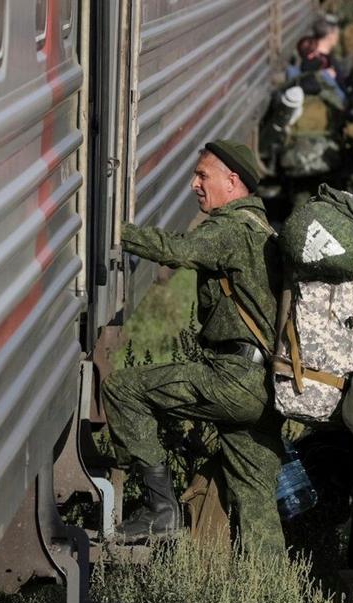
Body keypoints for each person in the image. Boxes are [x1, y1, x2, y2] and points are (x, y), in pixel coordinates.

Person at [102, 140, 285, 555]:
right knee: (257, 502)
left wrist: (115, 232)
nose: (193, 185)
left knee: (123, 388)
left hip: (233, 380)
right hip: (266, 386)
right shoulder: (262, 229)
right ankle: (271, 584)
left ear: (232, 182)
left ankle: (161, 509)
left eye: (203, 175)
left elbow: (179, 250)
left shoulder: (230, 229)